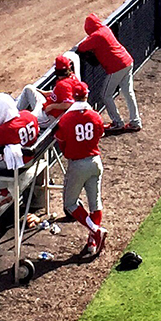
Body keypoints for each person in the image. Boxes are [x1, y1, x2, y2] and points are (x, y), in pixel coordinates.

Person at [53, 97, 109, 258]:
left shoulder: (66, 119)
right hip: (95, 162)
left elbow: (62, 144)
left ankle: (95, 231)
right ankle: (93, 242)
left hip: (77, 165)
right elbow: (100, 135)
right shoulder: (95, 115)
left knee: (70, 203)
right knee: (95, 203)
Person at [78, 13, 140, 133]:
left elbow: (81, 47)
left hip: (117, 67)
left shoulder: (96, 36)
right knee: (128, 93)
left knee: (105, 95)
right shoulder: (105, 29)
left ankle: (117, 122)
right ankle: (135, 121)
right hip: (127, 61)